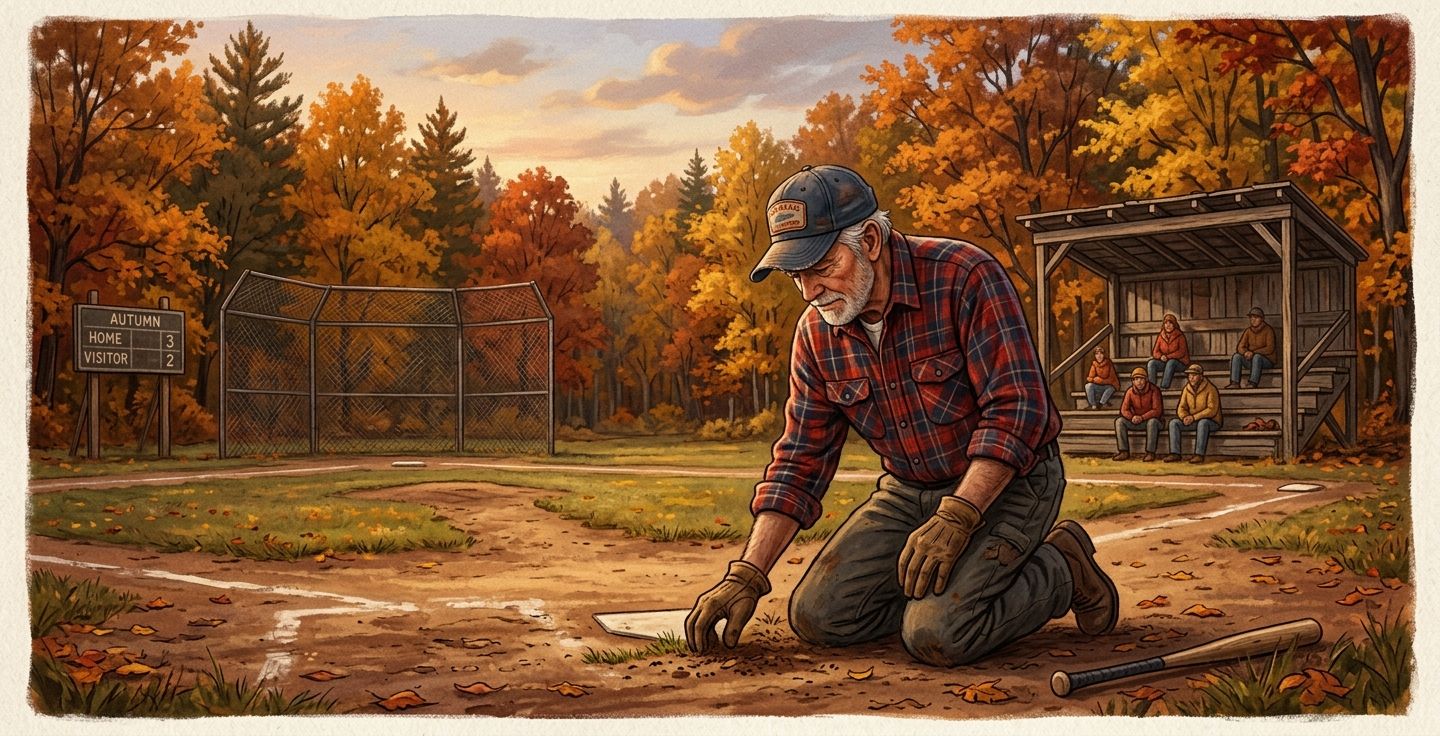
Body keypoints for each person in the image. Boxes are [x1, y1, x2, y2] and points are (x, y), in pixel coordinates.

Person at [685, 164, 1117, 668]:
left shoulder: (965, 275)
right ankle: (950, 591)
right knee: (819, 618)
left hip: (1012, 483)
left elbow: (1018, 412)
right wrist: (747, 575)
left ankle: (1062, 567)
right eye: (795, 274)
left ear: (869, 239)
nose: (808, 291)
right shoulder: (815, 333)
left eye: (821, 266)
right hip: (908, 491)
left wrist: (957, 517)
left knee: (939, 635)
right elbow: (801, 460)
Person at [1166, 364, 1223, 464]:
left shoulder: (1211, 389)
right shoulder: (1186, 389)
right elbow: (1181, 407)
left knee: (1203, 423)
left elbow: (1212, 410)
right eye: (1189, 375)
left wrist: (1194, 417)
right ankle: (1175, 453)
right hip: (1192, 420)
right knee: (1173, 423)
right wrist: (1184, 417)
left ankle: (1199, 454)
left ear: (1201, 376)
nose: (1191, 378)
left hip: (1211, 421)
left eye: (1194, 375)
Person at [1113, 367, 1163, 462]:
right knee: (1119, 421)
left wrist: (1142, 417)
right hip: (1136, 421)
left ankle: (1150, 452)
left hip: (1153, 421)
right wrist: (1132, 417)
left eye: (1141, 379)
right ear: (1133, 381)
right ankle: (1124, 451)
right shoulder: (1130, 392)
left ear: (1146, 379)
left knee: (1152, 422)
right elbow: (1124, 410)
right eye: (1136, 379)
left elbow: (1157, 410)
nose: (1139, 382)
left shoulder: (1154, 390)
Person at [1227, 307, 1276, 389]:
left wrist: (1253, 352)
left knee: (1257, 357)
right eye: (1251, 318)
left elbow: (1270, 348)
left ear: (1262, 319)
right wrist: (1245, 352)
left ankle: (1253, 382)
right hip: (1251, 360)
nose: (1253, 320)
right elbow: (1240, 347)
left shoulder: (1268, 330)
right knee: (1236, 356)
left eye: (1256, 317)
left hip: (1266, 361)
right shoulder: (1248, 331)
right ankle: (1235, 382)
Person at [1147, 314, 1189, 389]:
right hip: (1165, 362)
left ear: (1174, 325)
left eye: (1170, 323)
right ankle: (1152, 387)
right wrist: (1161, 356)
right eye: (1166, 323)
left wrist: (1168, 357)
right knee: (1151, 363)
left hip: (1179, 363)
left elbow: (1181, 352)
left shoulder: (1180, 336)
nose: (1168, 325)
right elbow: (1155, 352)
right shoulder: (1161, 336)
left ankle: (1164, 387)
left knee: (1171, 362)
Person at [1084, 345, 1120, 410]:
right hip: (1098, 386)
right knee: (1088, 386)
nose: (1099, 356)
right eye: (1097, 354)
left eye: (1101, 353)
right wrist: (1094, 380)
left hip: (1108, 386)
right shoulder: (1094, 364)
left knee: (1111, 388)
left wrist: (1101, 381)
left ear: (1104, 355)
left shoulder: (1108, 363)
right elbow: (1090, 378)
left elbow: (1112, 379)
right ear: (1095, 356)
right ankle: (1093, 405)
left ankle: (1102, 403)